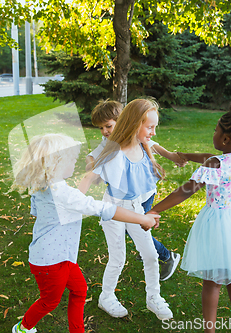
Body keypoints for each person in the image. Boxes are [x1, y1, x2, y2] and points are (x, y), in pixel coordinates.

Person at [148, 91, 231, 333]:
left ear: (226, 139)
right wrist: (185, 156)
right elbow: (211, 157)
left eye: (216, 131)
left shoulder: (215, 164)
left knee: (212, 281)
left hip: (219, 223)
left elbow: (186, 190)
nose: (214, 134)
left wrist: (155, 209)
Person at [10, 133, 159, 333]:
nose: (76, 162)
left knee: (80, 290)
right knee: (49, 302)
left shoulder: (41, 186)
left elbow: (38, 212)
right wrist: (142, 218)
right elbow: (105, 209)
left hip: (60, 256)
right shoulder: (63, 193)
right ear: (56, 164)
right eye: (72, 159)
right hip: (51, 262)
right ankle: (23, 328)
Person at [79, 98, 173, 320]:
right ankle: (106, 297)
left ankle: (154, 298)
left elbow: (155, 150)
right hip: (112, 210)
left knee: (150, 254)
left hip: (134, 208)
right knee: (118, 256)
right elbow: (88, 177)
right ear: (134, 124)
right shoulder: (114, 152)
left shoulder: (142, 146)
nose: (153, 132)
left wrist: (175, 157)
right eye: (150, 127)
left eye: (154, 127)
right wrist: (74, 204)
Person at [85, 99, 186, 281]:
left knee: (137, 226)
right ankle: (147, 249)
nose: (104, 131)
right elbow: (93, 156)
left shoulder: (135, 135)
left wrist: (171, 156)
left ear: (123, 120)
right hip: (127, 195)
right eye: (100, 128)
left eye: (108, 126)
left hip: (144, 193)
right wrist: (91, 166)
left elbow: (153, 145)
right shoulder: (109, 142)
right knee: (134, 225)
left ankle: (167, 256)